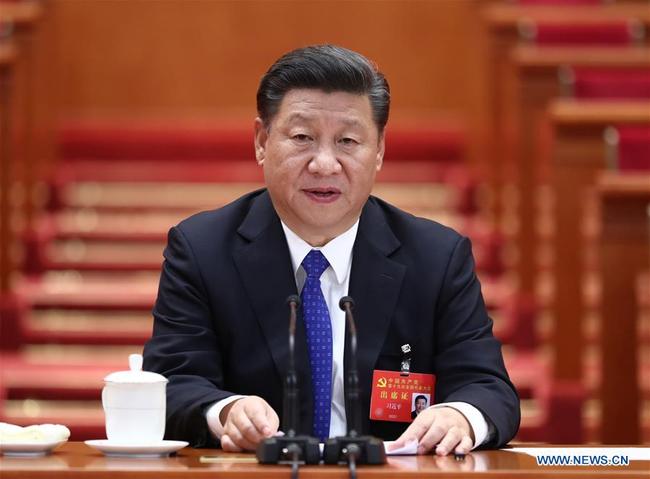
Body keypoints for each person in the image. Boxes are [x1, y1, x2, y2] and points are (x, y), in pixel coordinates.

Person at [143, 44, 519, 456]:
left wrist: (461, 415)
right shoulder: (202, 249)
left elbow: (489, 388)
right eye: (302, 137)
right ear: (262, 141)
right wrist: (225, 410)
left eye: (348, 141)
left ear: (379, 151)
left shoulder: (436, 257)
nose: (325, 164)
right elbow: (172, 385)